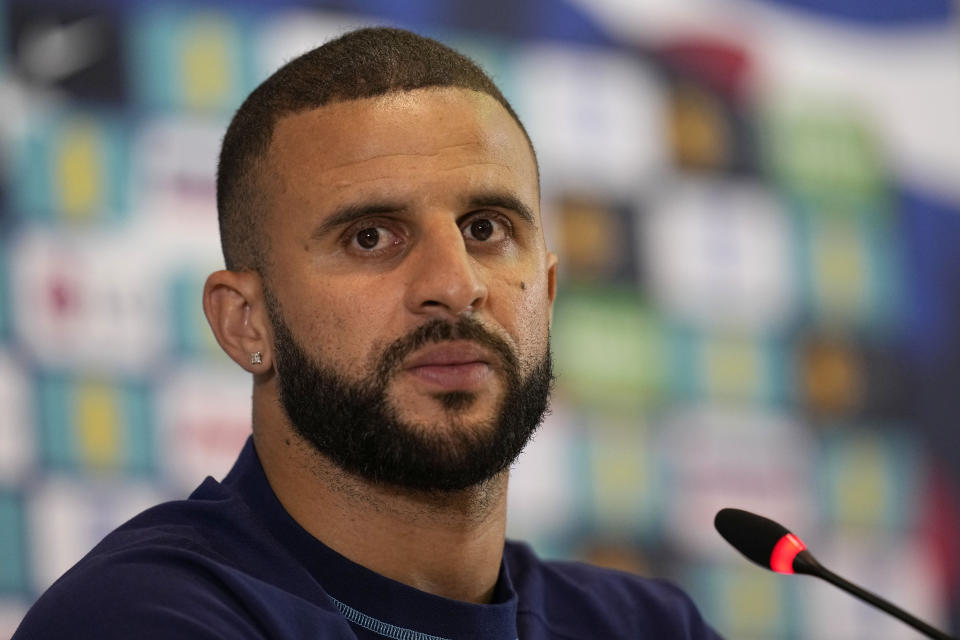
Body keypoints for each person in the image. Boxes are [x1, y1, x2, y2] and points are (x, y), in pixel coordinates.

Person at [15, 27, 722, 639]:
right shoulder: (143, 619)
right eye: (371, 237)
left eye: (485, 229)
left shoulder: (645, 626)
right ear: (244, 323)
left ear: (547, 289)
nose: (455, 284)